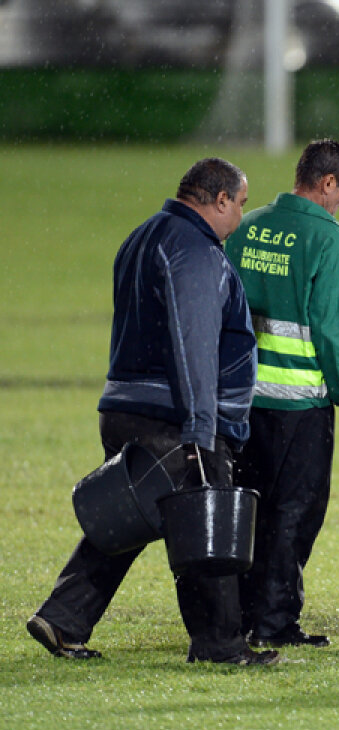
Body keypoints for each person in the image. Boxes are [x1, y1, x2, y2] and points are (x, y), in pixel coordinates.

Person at [26, 158, 278, 666]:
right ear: (220, 199)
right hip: (173, 417)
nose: (240, 217)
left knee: (131, 515)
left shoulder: (143, 236)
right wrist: (200, 431)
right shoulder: (195, 251)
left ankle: (64, 617)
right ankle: (220, 646)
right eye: (241, 204)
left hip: (125, 405)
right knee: (207, 526)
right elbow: (193, 344)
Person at [226, 139, 339, 648]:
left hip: (243, 400)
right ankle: (274, 622)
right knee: (296, 512)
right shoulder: (329, 240)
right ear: (327, 183)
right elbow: (331, 330)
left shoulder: (247, 226)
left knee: (249, 508)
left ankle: (239, 614)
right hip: (299, 403)